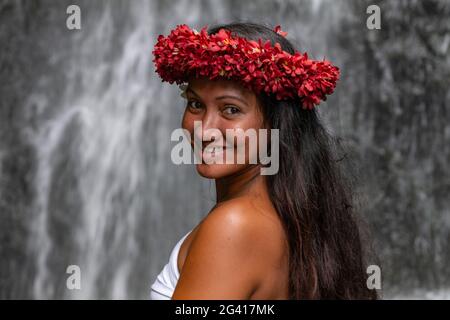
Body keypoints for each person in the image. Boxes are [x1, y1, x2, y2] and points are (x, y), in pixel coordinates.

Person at [150, 22, 377, 300]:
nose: (204, 129)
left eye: (231, 109)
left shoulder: (234, 226)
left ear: (275, 125)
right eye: (195, 104)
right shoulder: (291, 218)